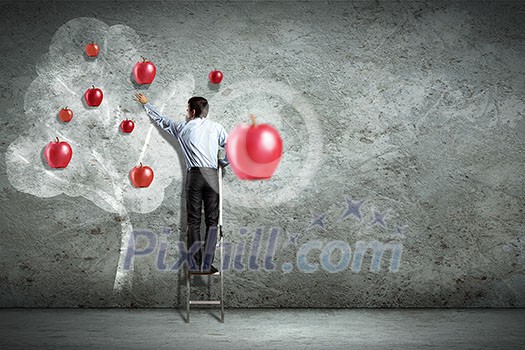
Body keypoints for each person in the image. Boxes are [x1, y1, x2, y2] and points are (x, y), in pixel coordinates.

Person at [133, 92, 228, 274]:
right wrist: (224, 162)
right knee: (212, 222)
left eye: (187, 109)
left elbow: (161, 120)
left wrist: (147, 104)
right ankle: (207, 264)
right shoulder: (216, 127)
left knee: (193, 221)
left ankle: (194, 265)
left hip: (194, 176)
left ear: (192, 111)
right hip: (211, 176)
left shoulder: (181, 128)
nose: (186, 112)